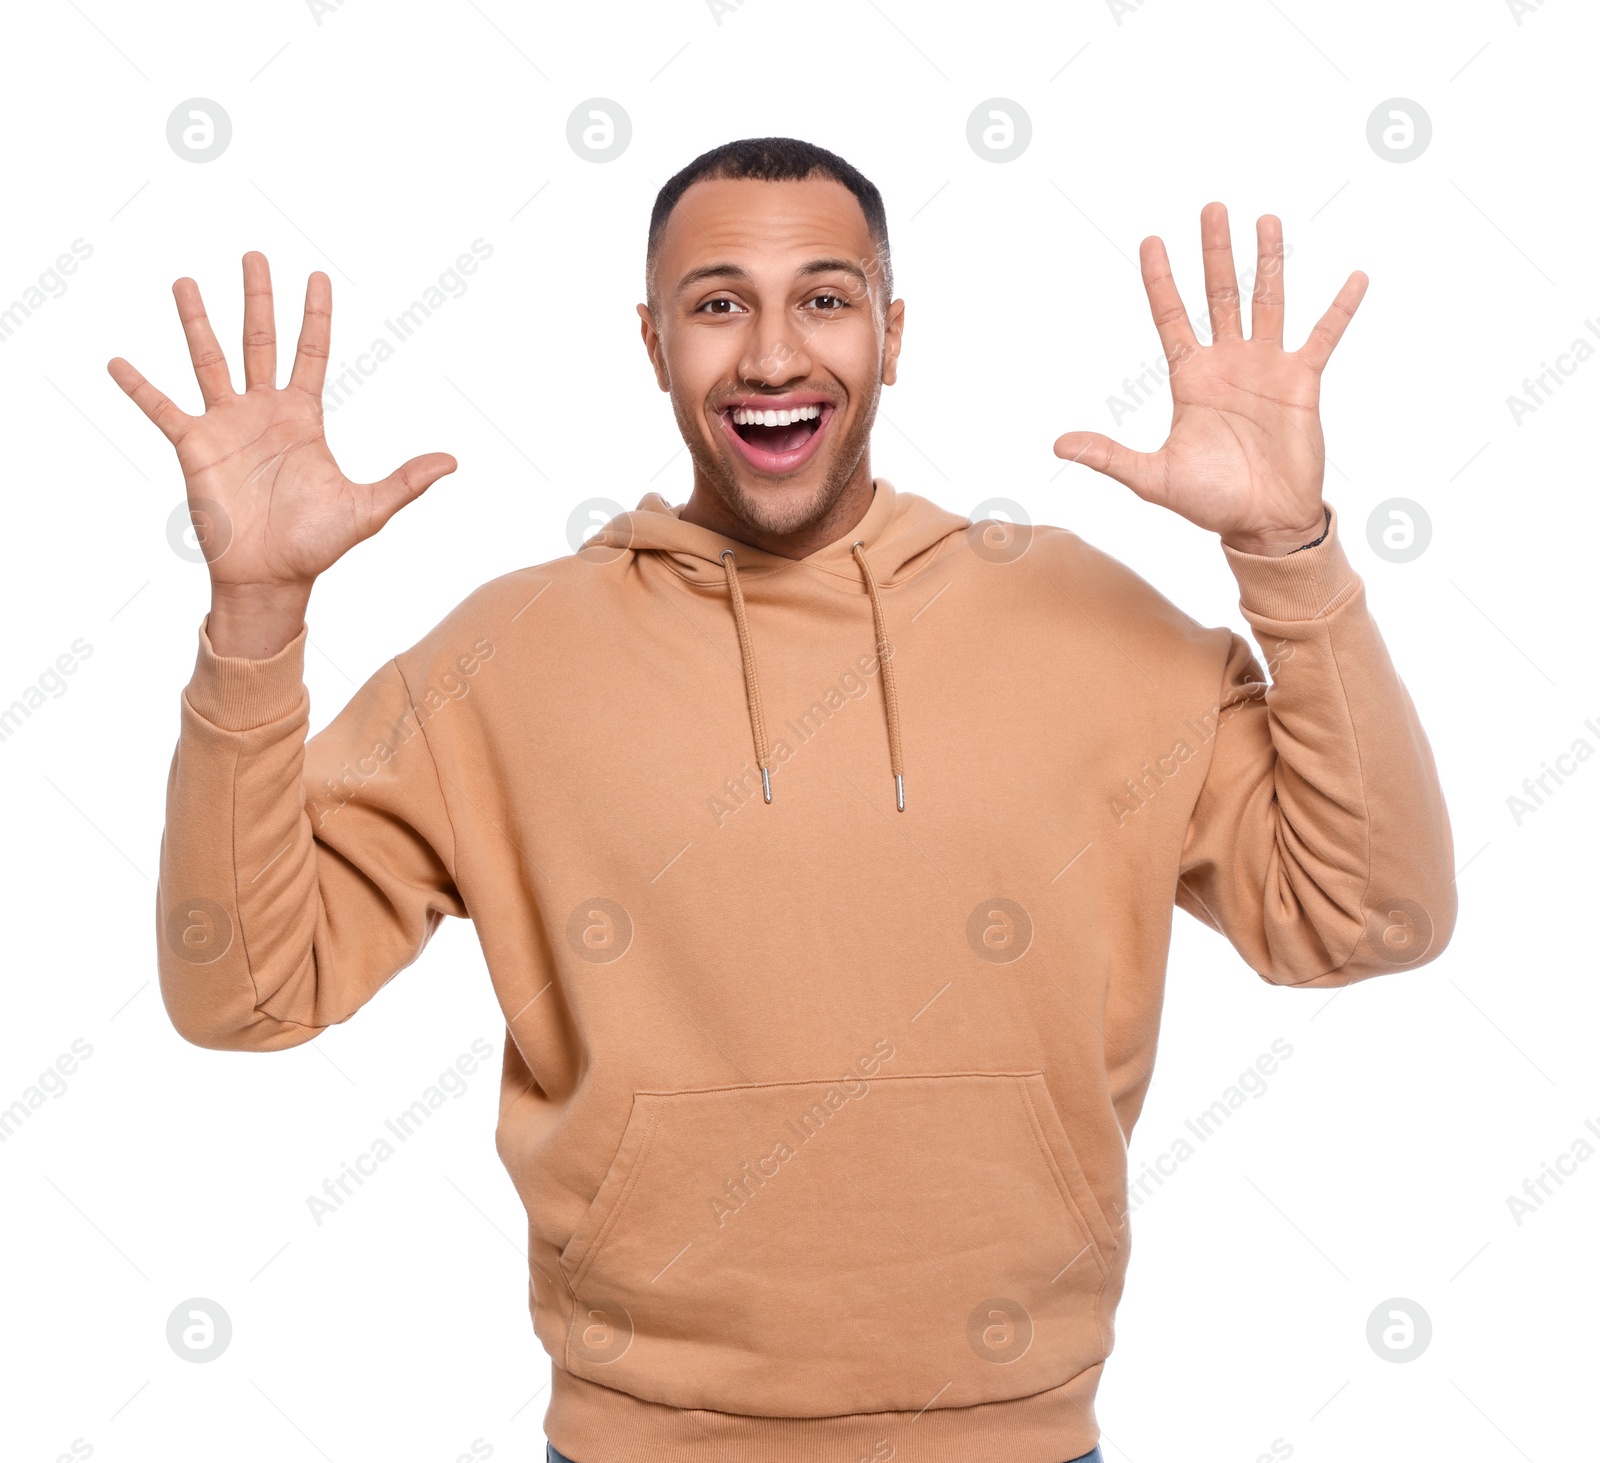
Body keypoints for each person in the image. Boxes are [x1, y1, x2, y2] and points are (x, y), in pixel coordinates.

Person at [113, 137, 1455, 1463]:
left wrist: (1291, 555)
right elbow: (241, 993)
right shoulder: (503, 662)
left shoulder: (1090, 624)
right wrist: (255, 620)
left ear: (893, 330)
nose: (770, 357)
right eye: (717, 306)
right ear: (652, 343)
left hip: (1019, 1438)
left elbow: (1374, 918)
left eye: (825, 298)